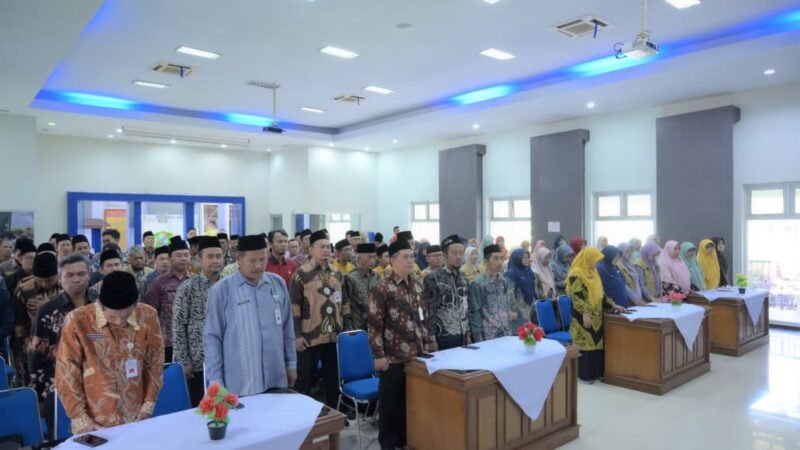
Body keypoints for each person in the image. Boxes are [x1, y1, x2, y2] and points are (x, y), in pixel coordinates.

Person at [56, 271, 164, 434]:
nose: (120, 322)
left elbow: (155, 363)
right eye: (112, 317)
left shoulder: (148, 315)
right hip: (95, 422)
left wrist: (148, 406)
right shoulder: (79, 321)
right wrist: (80, 418)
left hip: (137, 417)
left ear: (136, 305)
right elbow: (67, 372)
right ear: (100, 305)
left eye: (126, 316)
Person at [204, 235, 297, 398]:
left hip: (276, 377)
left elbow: (287, 328)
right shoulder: (222, 290)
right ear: (239, 259)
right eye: (252, 261)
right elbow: (212, 337)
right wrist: (215, 380)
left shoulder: (277, 284)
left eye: (263, 259)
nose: (259, 266)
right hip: (240, 383)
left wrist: (291, 364)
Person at [368, 239, 433, 450]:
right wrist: (378, 355)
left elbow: (423, 316)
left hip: (417, 355)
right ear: (393, 260)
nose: (410, 260)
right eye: (406, 257)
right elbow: (374, 324)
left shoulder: (416, 284)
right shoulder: (382, 288)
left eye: (412, 256)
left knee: (411, 406)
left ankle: (407, 442)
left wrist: (428, 343)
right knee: (390, 408)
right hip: (392, 358)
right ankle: (388, 445)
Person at [28, 253, 96, 422]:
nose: (76, 279)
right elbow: (36, 355)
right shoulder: (48, 310)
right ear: (60, 277)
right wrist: (41, 395)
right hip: (59, 386)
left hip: (98, 384)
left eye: (81, 274)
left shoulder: (101, 305)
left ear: (89, 274)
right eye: (70, 275)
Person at [291, 230, 344, 408]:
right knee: (305, 378)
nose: (326, 250)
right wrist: (297, 335)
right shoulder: (301, 274)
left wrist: (344, 331)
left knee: (333, 378)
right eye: (321, 247)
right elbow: (294, 306)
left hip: (334, 336)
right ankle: (300, 417)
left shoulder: (337, 273)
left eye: (328, 246)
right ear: (311, 249)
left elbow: (344, 304)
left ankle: (334, 414)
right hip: (309, 336)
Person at [173, 237, 224, 405]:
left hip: (227, 359)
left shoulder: (229, 286)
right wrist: (183, 361)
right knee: (202, 408)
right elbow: (179, 325)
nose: (215, 260)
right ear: (200, 259)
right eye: (210, 256)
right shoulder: (188, 288)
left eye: (218, 256)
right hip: (198, 362)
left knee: (227, 406)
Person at [566, 247, 625, 383]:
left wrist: (612, 305)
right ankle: (584, 375)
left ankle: (596, 372)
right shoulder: (576, 273)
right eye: (595, 260)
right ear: (588, 258)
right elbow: (576, 296)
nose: (596, 263)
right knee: (586, 343)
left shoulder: (594, 271)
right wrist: (584, 313)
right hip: (582, 314)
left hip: (597, 313)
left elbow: (600, 294)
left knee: (597, 342)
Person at [14, 251, 61, 383]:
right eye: (40, 281)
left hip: (60, 344)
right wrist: (18, 354)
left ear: (57, 274)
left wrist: (49, 307)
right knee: (34, 384)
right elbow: (19, 323)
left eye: (49, 280)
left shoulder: (66, 285)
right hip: (32, 343)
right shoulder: (24, 288)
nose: (45, 284)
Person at [144, 238, 193, 363]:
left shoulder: (197, 281)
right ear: (170, 258)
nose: (183, 259)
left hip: (193, 341)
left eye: (186, 255)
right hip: (168, 342)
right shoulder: (159, 283)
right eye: (179, 255)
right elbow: (150, 312)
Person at [423, 235, 469, 350]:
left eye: (461, 253)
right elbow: (429, 311)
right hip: (443, 338)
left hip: (463, 335)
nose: (458, 257)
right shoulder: (433, 278)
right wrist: (431, 339)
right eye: (454, 253)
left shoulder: (464, 277)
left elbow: (466, 307)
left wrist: (468, 333)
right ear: (445, 255)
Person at [468, 244, 511, 342]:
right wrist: (478, 337)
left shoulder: (503, 281)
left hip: (504, 331)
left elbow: (506, 305)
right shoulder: (478, 283)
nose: (500, 262)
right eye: (495, 258)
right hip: (488, 335)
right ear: (486, 262)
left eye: (501, 258)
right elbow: (474, 312)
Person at [343, 243, 381, 331]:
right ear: (359, 258)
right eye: (369, 257)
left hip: (374, 324)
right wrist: (348, 327)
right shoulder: (350, 278)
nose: (373, 260)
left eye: (374, 257)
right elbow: (346, 304)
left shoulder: (377, 277)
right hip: (357, 326)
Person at [505, 248, 536, 330]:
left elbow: (532, 286)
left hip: (528, 307)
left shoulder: (528, 270)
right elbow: (509, 293)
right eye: (523, 258)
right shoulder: (512, 273)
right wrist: (513, 309)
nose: (526, 260)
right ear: (517, 258)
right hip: (518, 309)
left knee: (528, 333)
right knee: (519, 333)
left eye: (527, 257)